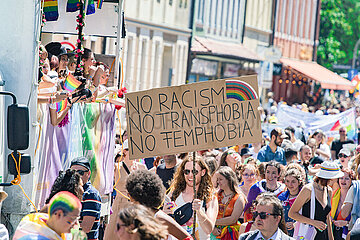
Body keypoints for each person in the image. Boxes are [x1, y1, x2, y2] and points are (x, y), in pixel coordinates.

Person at [126, 169, 191, 240]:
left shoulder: (160, 218)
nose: (129, 199)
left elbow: (188, 238)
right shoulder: (139, 218)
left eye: (130, 195)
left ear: (138, 196)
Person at [164, 155, 218, 239]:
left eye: (194, 172)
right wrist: (164, 213)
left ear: (203, 172)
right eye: (187, 171)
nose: (190, 175)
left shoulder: (209, 198)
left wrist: (199, 211)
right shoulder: (174, 193)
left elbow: (209, 229)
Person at [289, 161, 344, 240]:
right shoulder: (308, 190)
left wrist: (331, 238)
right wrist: (313, 222)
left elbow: (327, 217)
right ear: (330, 179)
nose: (337, 180)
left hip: (323, 235)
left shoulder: (329, 190)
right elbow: (292, 213)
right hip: (308, 235)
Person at [104, 139, 146, 240]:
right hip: (119, 204)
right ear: (124, 151)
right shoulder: (116, 167)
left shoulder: (142, 167)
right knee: (112, 235)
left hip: (135, 205)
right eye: (130, 149)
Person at [13, 191, 82, 240]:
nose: (76, 224)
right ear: (59, 214)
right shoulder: (32, 236)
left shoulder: (35, 220)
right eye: (73, 218)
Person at [70, 157, 102, 240]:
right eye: (73, 172)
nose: (76, 175)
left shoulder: (91, 194)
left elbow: (86, 228)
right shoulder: (70, 191)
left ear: (89, 173)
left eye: (80, 172)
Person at [211, 167, 246, 240]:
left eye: (220, 179)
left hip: (230, 234)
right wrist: (212, 228)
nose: (218, 182)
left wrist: (212, 223)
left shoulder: (239, 198)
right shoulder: (215, 195)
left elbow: (232, 219)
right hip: (214, 232)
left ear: (229, 180)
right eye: (217, 180)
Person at [278, 167, 304, 237]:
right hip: (284, 234)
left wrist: (295, 224)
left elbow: (309, 216)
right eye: (287, 181)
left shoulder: (305, 198)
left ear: (299, 182)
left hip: (300, 233)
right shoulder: (281, 198)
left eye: (293, 181)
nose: (290, 184)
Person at [331, 168, 355, 240]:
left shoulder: (356, 197)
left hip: (348, 233)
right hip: (333, 232)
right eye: (341, 178)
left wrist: (346, 223)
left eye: (347, 178)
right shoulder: (333, 194)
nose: (343, 181)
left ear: (352, 181)